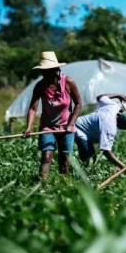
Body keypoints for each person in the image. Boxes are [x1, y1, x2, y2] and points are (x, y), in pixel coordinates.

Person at [23, 51, 82, 179]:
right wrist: (28, 127)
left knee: (64, 162)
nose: (43, 74)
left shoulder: (68, 83)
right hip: (47, 127)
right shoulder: (40, 86)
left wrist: (71, 124)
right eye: (42, 71)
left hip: (66, 128)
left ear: (55, 70)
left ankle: (63, 189)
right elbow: (33, 109)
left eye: (46, 71)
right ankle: (41, 186)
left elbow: (78, 103)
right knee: (46, 157)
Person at [74, 94, 126, 168]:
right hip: (80, 130)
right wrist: (123, 166)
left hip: (82, 124)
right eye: (125, 127)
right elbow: (106, 151)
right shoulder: (109, 127)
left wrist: (117, 95)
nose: (125, 129)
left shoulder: (114, 107)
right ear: (121, 122)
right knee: (89, 160)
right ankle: (80, 175)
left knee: (91, 160)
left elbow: (100, 97)